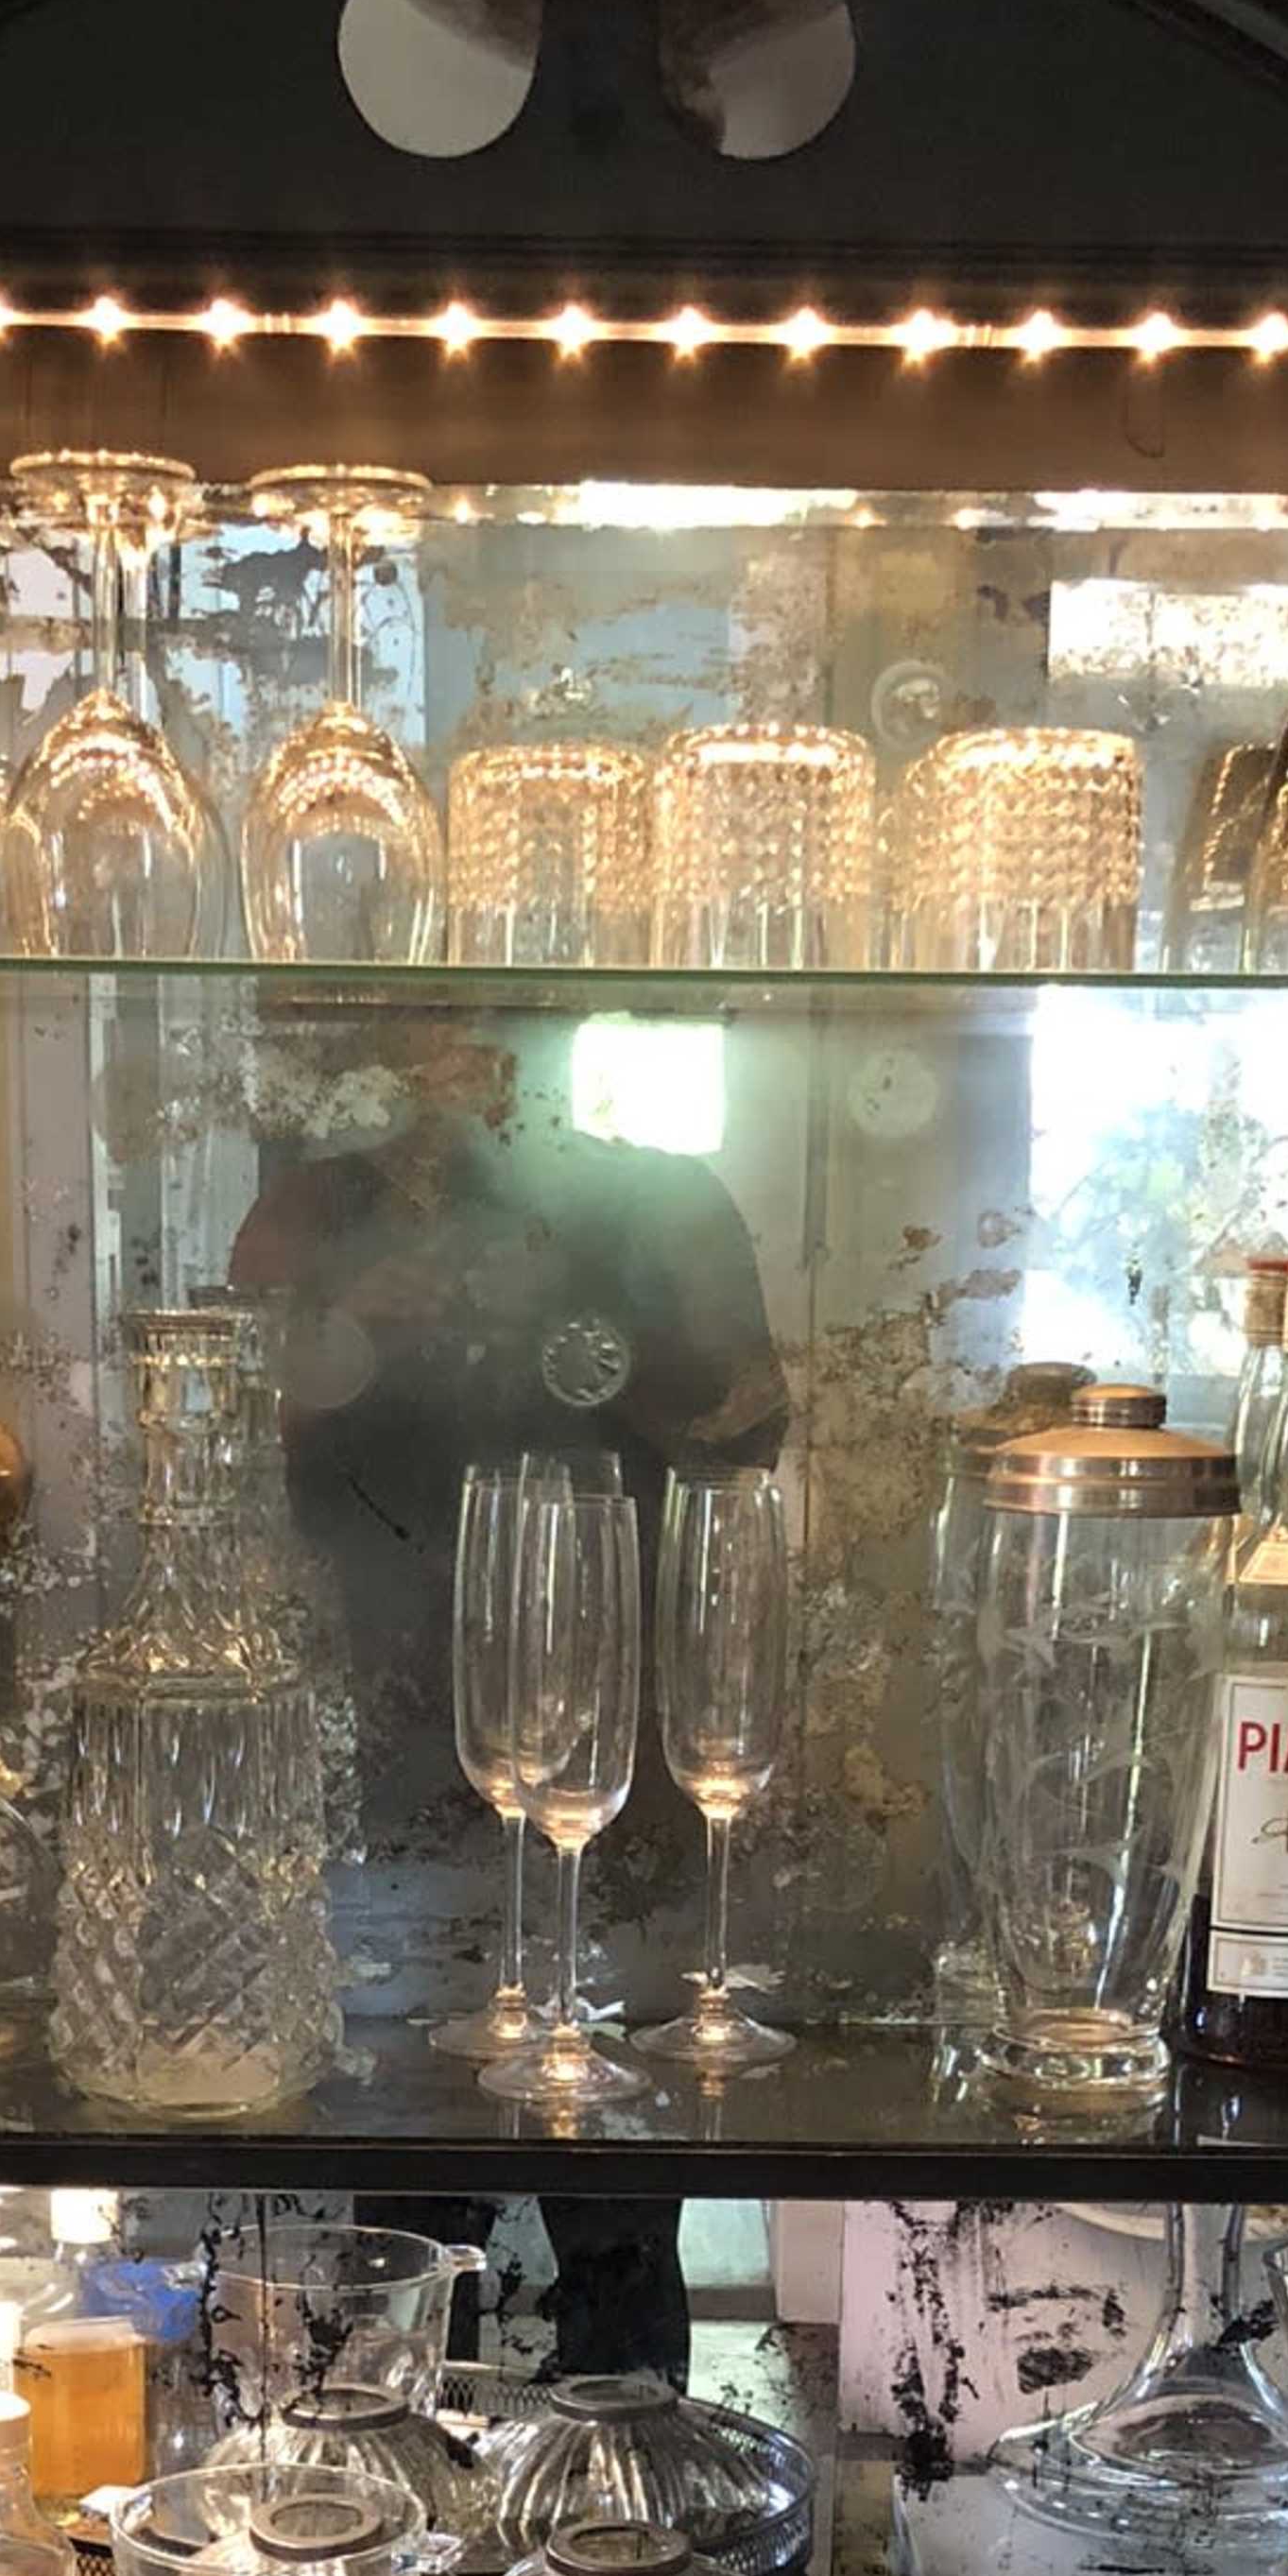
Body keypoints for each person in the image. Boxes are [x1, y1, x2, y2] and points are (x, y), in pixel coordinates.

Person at [230, 1025, 794, 2392]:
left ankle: (624, 2460)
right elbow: (231, 1457)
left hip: (615, 1768)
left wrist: (589, 1340)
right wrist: (358, 1337)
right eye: (431, 1028)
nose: (457, 1062)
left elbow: (749, 1430)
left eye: (495, 1032)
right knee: (409, 2198)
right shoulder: (316, 1210)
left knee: (619, 2202)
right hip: (395, 1761)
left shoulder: (659, 1199)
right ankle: (405, 2457)